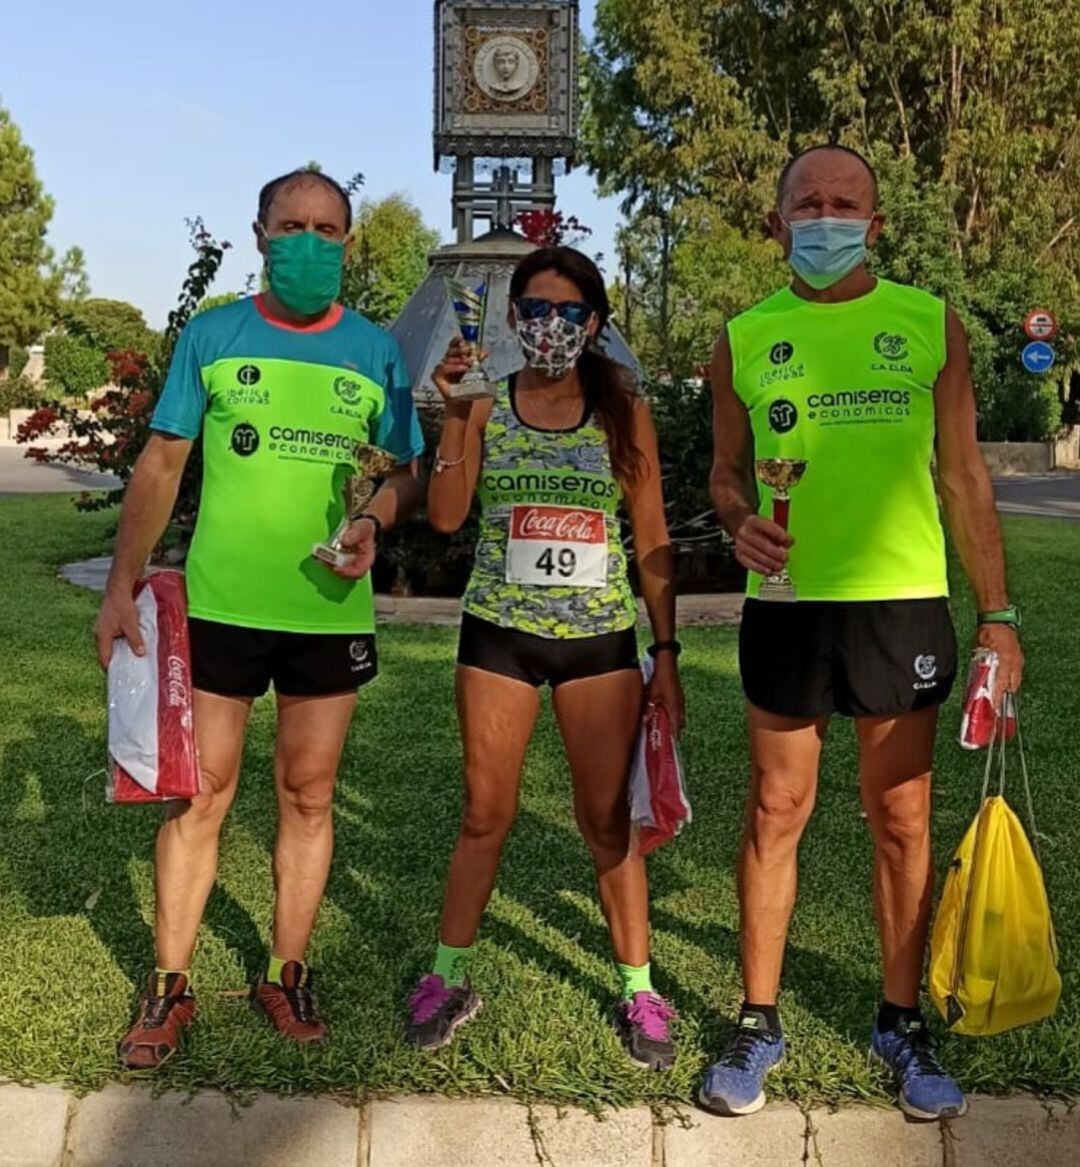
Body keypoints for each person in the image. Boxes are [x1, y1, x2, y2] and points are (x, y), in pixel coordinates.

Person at [702, 144, 1024, 1120]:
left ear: (875, 223)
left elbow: (964, 475)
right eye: (808, 203)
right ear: (778, 222)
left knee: (903, 820)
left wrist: (998, 616)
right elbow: (724, 472)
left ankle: (901, 1022)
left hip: (902, 607)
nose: (827, 217)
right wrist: (733, 517)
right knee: (774, 812)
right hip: (790, 609)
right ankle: (758, 1021)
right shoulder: (743, 337)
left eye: (846, 204)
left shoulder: (930, 324)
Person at [95, 169, 424, 1067]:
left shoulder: (377, 352)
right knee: (201, 792)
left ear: (348, 244)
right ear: (260, 234)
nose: (310, 243)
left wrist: (371, 519)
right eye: (293, 226)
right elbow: (162, 465)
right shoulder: (214, 334)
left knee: (309, 791)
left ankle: (287, 970)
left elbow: (400, 473)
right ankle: (170, 984)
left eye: (327, 229)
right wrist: (122, 583)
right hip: (222, 608)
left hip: (327, 610)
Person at [405, 247, 684, 1070]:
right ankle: (447, 975)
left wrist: (663, 650)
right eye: (534, 309)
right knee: (484, 812)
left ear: (595, 322)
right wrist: (456, 413)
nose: (550, 326)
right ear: (512, 317)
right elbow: (450, 517)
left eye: (568, 312)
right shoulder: (488, 401)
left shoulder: (623, 409)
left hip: (598, 641)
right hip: (500, 633)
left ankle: (639, 986)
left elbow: (655, 535)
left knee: (605, 820)